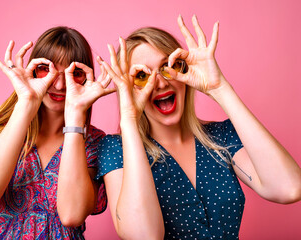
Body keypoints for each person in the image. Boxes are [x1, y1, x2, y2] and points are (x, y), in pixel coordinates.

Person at [97, 15, 301, 239]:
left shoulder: (221, 136)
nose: (161, 83)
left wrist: (219, 87)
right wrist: (129, 116)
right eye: (142, 76)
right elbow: (144, 235)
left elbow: (289, 188)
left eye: (168, 67)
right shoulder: (116, 149)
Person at [0, 26, 114, 239]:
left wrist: (75, 116)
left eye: (75, 74)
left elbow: (72, 215)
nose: (59, 84)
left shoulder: (94, 142)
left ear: (86, 79)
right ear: (33, 69)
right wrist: (26, 103)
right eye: (47, 70)